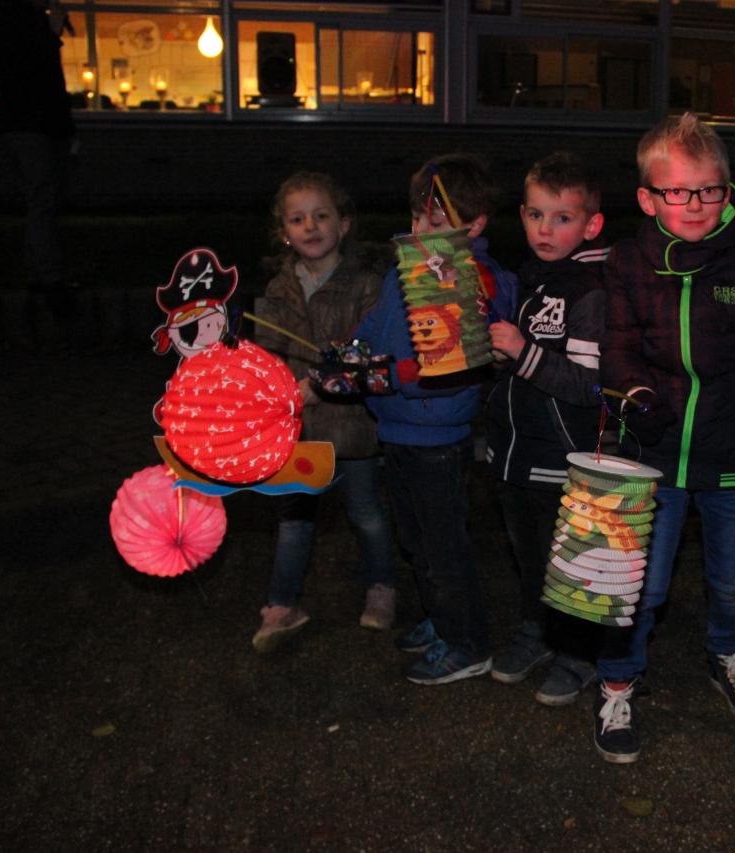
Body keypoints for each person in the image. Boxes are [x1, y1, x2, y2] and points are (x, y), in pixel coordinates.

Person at [592, 113, 735, 764]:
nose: (694, 204)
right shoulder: (627, 261)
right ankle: (618, 680)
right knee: (641, 584)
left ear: (728, 189)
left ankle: (730, 653)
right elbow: (618, 344)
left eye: (709, 189)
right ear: (648, 198)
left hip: (731, 453)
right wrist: (636, 397)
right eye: (677, 191)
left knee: (733, 577)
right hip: (650, 454)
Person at [354, 153, 518, 685]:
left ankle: (467, 641)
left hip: (437, 434)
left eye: (438, 222)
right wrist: (355, 354)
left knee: (444, 546)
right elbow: (379, 325)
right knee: (417, 541)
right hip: (396, 426)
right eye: (417, 217)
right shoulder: (405, 269)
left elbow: (456, 356)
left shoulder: (477, 280)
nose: (422, 230)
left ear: (474, 227)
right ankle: (441, 619)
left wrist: (390, 374)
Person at [249, 172, 395, 653]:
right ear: (283, 231)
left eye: (321, 215)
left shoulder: (367, 286)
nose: (310, 226)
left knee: (366, 511)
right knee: (295, 518)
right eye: (297, 218)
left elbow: (370, 354)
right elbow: (266, 353)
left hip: (353, 428)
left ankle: (381, 587)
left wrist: (318, 386)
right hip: (299, 433)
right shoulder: (278, 289)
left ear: (344, 223)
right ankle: (281, 605)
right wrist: (269, 390)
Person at [484, 152, 608, 705]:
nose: (545, 229)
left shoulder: (588, 291)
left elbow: (588, 386)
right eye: (536, 215)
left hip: (561, 457)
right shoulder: (529, 278)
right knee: (527, 555)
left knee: (569, 563)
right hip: (514, 448)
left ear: (591, 224)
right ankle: (537, 632)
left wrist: (523, 351)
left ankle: (578, 654)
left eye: (562, 218)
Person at [0, 0, 76, 296]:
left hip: (33, 121)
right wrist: (52, 33)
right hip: (31, 122)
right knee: (43, 196)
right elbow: (31, 67)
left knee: (42, 197)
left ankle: (42, 273)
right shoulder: (9, 15)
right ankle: (48, 278)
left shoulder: (9, 14)